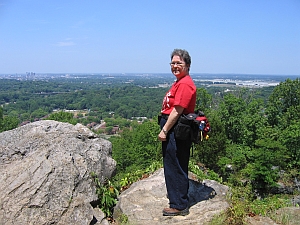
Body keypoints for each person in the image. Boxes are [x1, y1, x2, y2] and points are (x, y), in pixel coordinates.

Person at [158, 49, 196, 216]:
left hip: (175, 128)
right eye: (172, 63)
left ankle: (179, 205)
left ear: (187, 65)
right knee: (173, 163)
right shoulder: (180, 82)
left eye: (178, 63)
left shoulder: (185, 84)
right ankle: (177, 197)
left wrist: (165, 130)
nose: (175, 66)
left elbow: (177, 110)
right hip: (173, 127)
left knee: (175, 165)